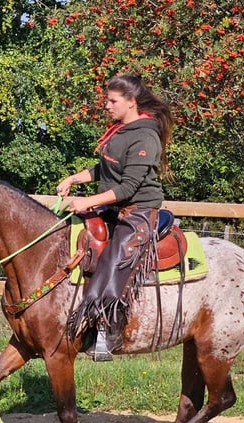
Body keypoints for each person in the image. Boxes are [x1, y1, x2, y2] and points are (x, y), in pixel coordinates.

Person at [56, 74, 174, 359]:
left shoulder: (145, 136)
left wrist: (88, 201)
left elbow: (128, 187)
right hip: (112, 206)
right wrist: (74, 179)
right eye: (106, 100)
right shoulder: (120, 130)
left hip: (138, 211)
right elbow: (106, 171)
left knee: (113, 260)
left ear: (131, 102)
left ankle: (106, 333)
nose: (106, 106)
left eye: (112, 101)